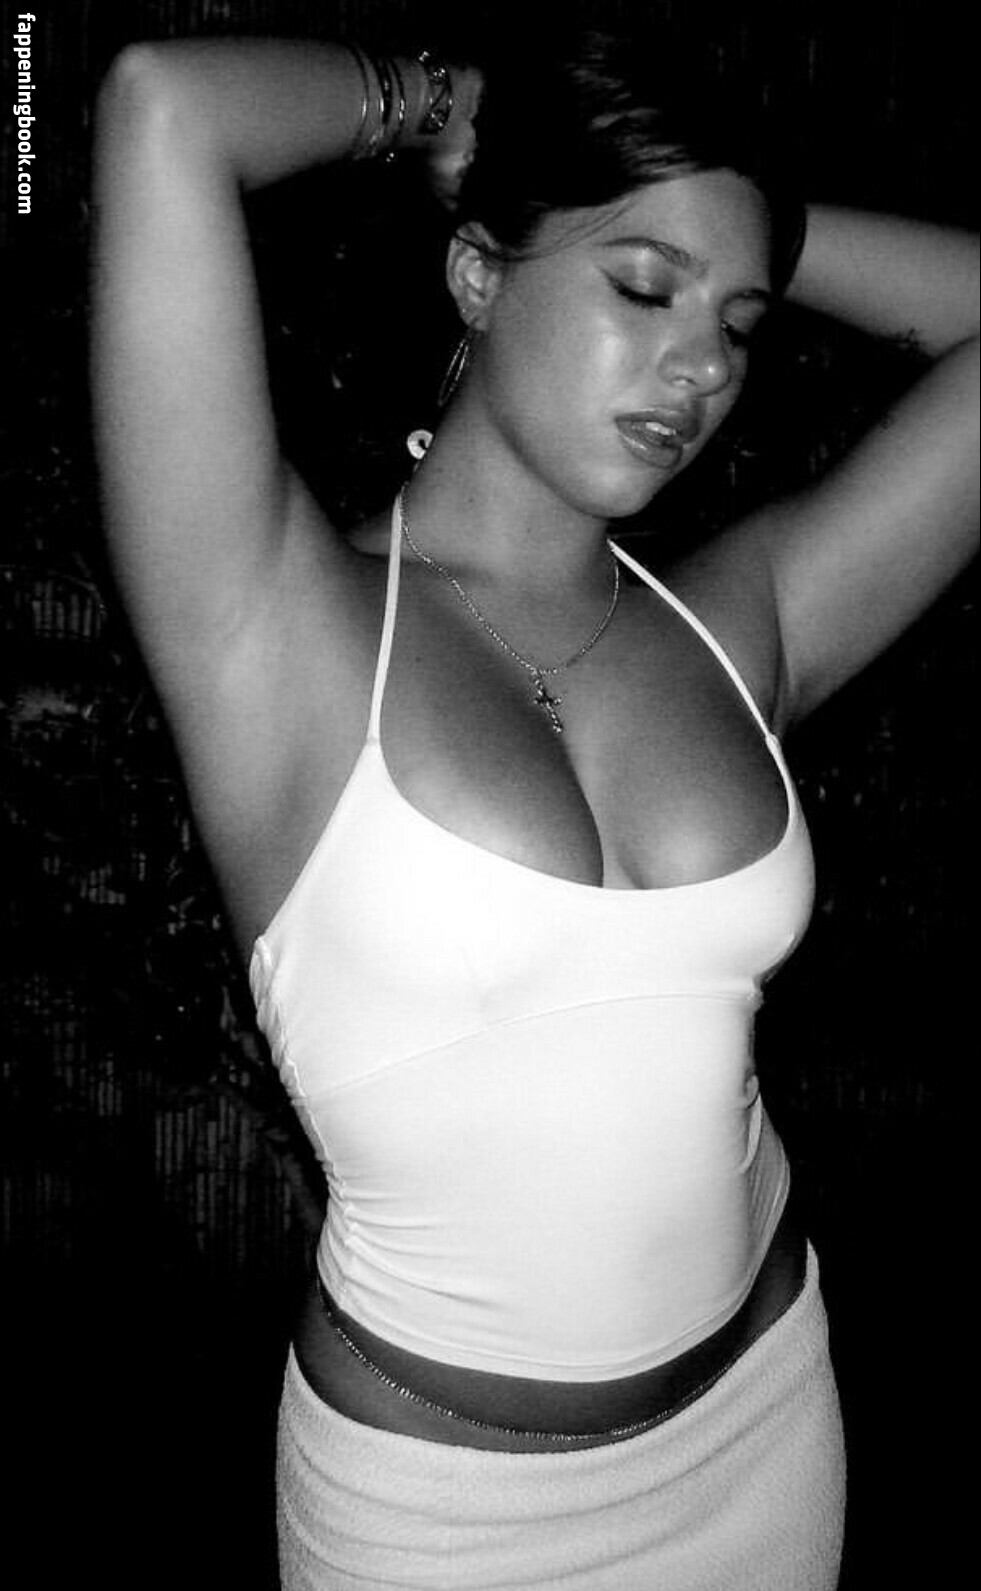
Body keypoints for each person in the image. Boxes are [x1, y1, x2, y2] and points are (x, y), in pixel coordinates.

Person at [90, 19, 978, 1591]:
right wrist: (474, 118)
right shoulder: (275, 625)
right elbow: (166, 106)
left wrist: (728, 220)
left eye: (739, 323)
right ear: (477, 274)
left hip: (764, 1425)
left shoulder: (739, 629)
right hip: (440, 1517)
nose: (701, 366)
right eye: (640, 287)